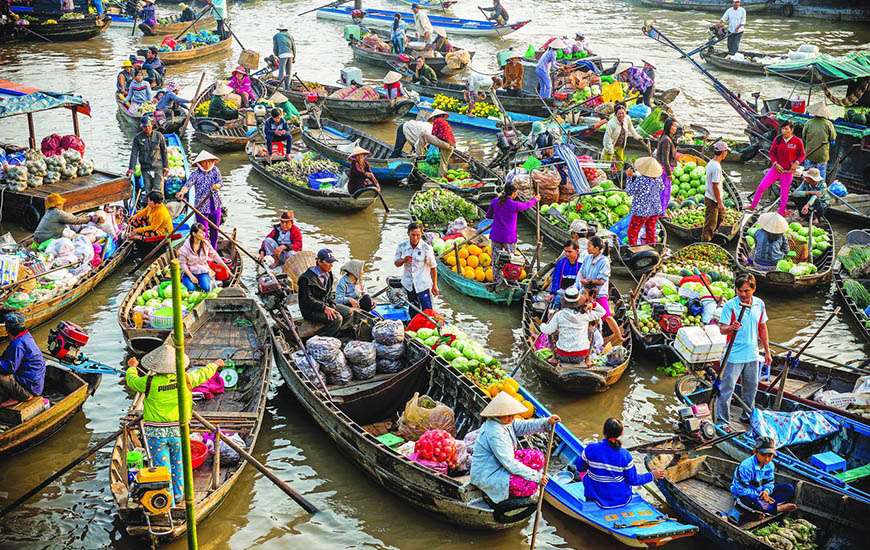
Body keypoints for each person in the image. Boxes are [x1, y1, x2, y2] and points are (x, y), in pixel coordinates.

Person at [125, 344, 222, 505]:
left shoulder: (149, 382)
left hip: (155, 434)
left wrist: (132, 368)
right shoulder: (186, 378)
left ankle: (167, 499)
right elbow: (204, 373)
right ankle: (178, 494)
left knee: (162, 467)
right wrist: (216, 364)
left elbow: (132, 381)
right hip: (178, 430)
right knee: (179, 464)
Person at [470, 392, 559, 504]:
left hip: (500, 462)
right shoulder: (494, 432)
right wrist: (537, 477)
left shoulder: (505, 422)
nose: (511, 418)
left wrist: (547, 421)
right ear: (497, 415)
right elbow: (509, 463)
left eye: (512, 415)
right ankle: (506, 495)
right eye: (508, 416)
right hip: (488, 473)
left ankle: (524, 477)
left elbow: (524, 426)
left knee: (538, 457)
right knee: (530, 486)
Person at [717, 272, 770, 424]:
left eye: (746, 290)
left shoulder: (759, 304)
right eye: (739, 290)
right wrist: (731, 327)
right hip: (733, 356)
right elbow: (722, 329)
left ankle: (747, 416)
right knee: (727, 390)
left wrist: (767, 351)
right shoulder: (730, 306)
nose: (743, 294)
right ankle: (723, 421)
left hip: (752, 355)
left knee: (751, 389)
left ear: (753, 289)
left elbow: (763, 328)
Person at [576, 418, 666, 508]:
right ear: (621, 434)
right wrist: (652, 475)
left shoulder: (590, 449)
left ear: (604, 431)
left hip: (595, 499)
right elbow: (633, 480)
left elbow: (580, 468)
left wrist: (588, 476)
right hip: (622, 500)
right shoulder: (625, 455)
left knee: (587, 476)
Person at [730, 437, 797, 519]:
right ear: (755, 452)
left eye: (770, 455)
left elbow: (769, 483)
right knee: (748, 501)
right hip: (746, 496)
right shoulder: (746, 467)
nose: (767, 459)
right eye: (763, 455)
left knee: (788, 488)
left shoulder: (770, 465)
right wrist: (760, 496)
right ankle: (777, 508)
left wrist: (766, 492)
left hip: (762, 494)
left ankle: (764, 509)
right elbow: (739, 490)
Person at [748, 121, 805, 216]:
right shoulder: (778, 139)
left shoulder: (797, 141)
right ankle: (753, 206)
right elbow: (772, 152)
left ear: (792, 130)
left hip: (788, 172)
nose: (784, 131)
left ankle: (782, 211)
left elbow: (802, 155)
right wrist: (775, 163)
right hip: (776, 169)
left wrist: (796, 163)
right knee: (761, 187)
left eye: (786, 129)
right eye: (783, 129)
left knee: (784, 193)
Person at [486, 183, 539, 284]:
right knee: (511, 260)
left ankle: (496, 280)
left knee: (495, 260)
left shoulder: (495, 201)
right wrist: (535, 199)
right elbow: (526, 205)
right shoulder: (514, 205)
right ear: (514, 193)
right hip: (509, 238)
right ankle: (509, 280)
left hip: (496, 235)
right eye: (516, 193)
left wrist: (499, 216)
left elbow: (488, 216)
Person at [540, 285, 606, 365]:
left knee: (552, 332)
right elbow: (602, 312)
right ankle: (588, 359)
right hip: (581, 356)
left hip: (561, 355)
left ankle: (554, 358)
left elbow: (547, 330)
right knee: (591, 331)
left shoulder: (559, 314)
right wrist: (593, 305)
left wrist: (542, 325)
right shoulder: (585, 315)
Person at [578, 236, 624, 343]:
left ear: (597, 248)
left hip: (599, 293)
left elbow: (602, 281)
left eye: (589, 246)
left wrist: (589, 281)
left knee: (606, 315)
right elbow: (582, 272)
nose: (587, 248)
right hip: (586, 291)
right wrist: (583, 282)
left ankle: (619, 335)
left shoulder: (604, 261)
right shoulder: (588, 258)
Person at [298, 248, 353, 337]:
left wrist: (332, 306)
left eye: (332, 262)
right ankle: (323, 339)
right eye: (328, 262)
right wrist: (324, 308)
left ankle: (336, 332)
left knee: (348, 312)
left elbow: (329, 294)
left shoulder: (329, 274)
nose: (331, 265)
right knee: (337, 319)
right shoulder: (306, 278)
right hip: (310, 310)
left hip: (325, 304)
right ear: (319, 262)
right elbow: (307, 300)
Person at [176, 150, 223, 248]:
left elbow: (220, 183)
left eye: (210, 161)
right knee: (202, 232)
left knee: (215, 229)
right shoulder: (195, 174)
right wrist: (181, 192)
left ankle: (213, 250)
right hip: (201, 207)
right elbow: (187, 185)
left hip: (215, 204)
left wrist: (216, 186)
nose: (207, 163)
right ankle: (204, 250)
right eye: (205, 161)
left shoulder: (215, 170)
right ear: (200, 163)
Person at [0, 313, 46, 403]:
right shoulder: (26, 336)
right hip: (35, 384)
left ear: (8, 329)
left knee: (2, 376)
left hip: (30, 388)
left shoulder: (17, 345)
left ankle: (23, 396)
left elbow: (8, 369)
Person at [394, 221, 439, 312]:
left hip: (423, 284)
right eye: (413, 235)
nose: (415, 238)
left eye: (418, 235)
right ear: (408, 233)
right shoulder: (402, 246)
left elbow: (433, 267)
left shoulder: (426, 248)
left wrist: (435, 285)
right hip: (409, 284)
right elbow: (396, 263)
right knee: (413, 308)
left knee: (427, 310)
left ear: (421, 234)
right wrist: (403, 260)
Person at [178, 223, 229, 291]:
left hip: (202, 270)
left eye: (204, 232)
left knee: (206, 288)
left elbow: (214, 255)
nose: (204, 234)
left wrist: (225, 267)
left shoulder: (205, 244)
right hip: (189, 272)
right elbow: (183, 264)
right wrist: (191, 276)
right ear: (194, 234)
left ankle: (209, 282)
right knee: (191, 289)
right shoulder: (185, 248)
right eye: (201, 233)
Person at [625, 157, 664, 246]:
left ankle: (633, 249)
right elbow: (662, 188)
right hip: (654, 209)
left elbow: (629, 192)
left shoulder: (641, 180)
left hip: (642, 210)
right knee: (651, 230)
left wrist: (629, 177)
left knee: (632, 232)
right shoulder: (658, 178)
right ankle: (651, 246)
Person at [127, 117, 168, 197]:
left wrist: (166, 166)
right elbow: (134, 154)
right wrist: (131, 168)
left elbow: (164, 152)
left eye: (148, 126)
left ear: (152, 125)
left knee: (158, 190)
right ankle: (149, 207)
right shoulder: (138, 138)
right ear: (142, 127)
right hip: (145, 168)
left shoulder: (159, 136)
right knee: (148, 190)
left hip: (157, 167)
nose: (147, 128)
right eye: (145, 127)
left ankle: (160, 206)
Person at [34, 193, 99, 243]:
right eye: (61, 204)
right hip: (46, 239)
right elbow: (76, 220)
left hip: (38, 237)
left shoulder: (49, 211)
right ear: (57, 204)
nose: (62, 205)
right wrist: (90, 218)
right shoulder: (58, 213)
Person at [703, 140, 731, 242]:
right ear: (723, 152)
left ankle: (712, 237)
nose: (726, 154)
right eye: (726, 152)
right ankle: (706, 242)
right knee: (710, 224)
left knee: (720, 217)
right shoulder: (716, 167)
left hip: (711, 197)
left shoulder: (711, 163)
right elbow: (715, 186)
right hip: (713, 199)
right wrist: (719, 202)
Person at [802, 101, 837, 181]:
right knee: (821, 176)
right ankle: (820, 189)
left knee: (808, 173)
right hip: (822, 155)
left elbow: (803, 137)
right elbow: (832, 138)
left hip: (810, 153)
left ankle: (807, 187)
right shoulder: (828, 124)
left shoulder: (808, 123)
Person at [547, 240, 582, 307]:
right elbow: (556, 279)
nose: (567, 254)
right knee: (557, 300)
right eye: (565, 251)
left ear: (577, 251)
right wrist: (553, 293)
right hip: (562, 291)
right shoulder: (561, 263)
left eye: (569, 251)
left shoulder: (582, 264)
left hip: (576, 293)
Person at [656, 118, 678, 215]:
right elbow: (665, 159)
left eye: (676, 126)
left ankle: (661, 210)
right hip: (665, 170)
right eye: (673, 126)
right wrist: (669, 173)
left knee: (664, 191)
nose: (675, 128)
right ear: (669, 127)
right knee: (665, 192)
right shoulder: (666, 140)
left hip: (665, 169)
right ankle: (661, 212)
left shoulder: (667, 138)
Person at [429, 109, 455, 175]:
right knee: (444, 162)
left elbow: (433, 134)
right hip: (452, 146)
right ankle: (443, 176)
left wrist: (429, 145)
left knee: (423, 135)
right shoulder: (444, 122)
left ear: (435, 116)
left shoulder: (437, 121)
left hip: (446, 144)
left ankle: (418, 153)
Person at [273, 27, 296, 91]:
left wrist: (277, 56)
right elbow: (294, 47)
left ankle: (282, 87)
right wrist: (294, 57)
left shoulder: (276, 36)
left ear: (279, 30)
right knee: (288, 71)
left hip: (282, 54)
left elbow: (275, 48)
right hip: (291, 54)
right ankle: (287, 87)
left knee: (281, 70)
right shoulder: (290, 35)